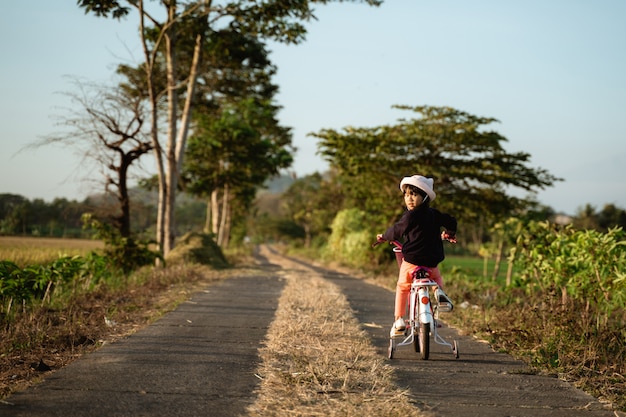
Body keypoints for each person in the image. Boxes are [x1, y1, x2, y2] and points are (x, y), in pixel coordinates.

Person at [376, 175, 457, 337]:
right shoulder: (434, 214)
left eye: (414, 194)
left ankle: (399, 319)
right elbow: (451, 220)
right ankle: (438, 291)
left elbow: (396, 230)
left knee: (403, 286)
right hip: (432, 260)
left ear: (425, 197)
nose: (409, 199)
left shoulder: (409, 216)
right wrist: (449, 233)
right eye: (406, 195)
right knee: (435, 277)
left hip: (412, 261)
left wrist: (384, 236)